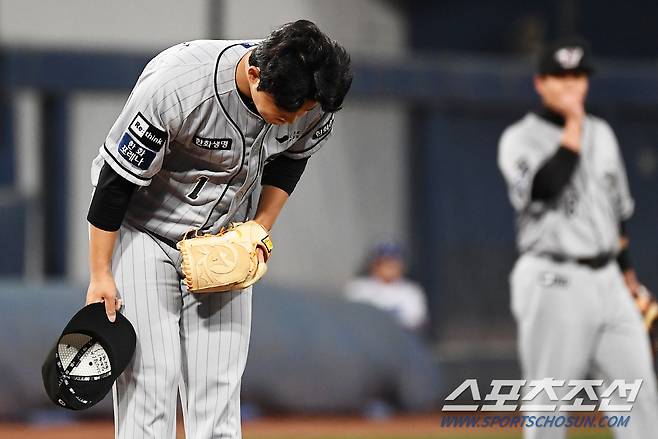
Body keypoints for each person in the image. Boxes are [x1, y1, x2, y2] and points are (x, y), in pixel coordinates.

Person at [85, 20, 352, 438]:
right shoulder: (178, 85)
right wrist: (100, 273)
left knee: (218, 391)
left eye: (303, 111)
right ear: (254, 73)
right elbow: (116, 183)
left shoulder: (310, 98)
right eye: (286, 111)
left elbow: (292, 157)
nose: (294, 120)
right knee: (151, 385)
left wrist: (259, 228)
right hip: (145, 234)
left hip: (224, 240)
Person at [497, 37, 658, 439]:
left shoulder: (602, 134)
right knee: (549, 401)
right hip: (553, 277)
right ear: (541, 83)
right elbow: (545, 187)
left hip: (609, 281)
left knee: (639, 396)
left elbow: (617, 216)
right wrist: (573, 126)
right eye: (561, 76)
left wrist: (629, 278)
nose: (571, 86)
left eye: (578, 77)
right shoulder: (519, 139)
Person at [345, 243, 428, 332]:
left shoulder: (411, 291)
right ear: (375, 265)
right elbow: (353, 318)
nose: (390, 268)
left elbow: (415, 320)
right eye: (385, 263)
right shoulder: (359, 287)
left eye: (394, 264)